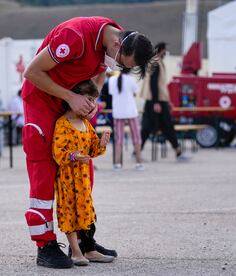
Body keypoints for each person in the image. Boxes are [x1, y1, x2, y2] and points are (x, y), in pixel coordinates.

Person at [22, 16, 154, 269]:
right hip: (42, 101)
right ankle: (45, 245)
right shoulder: (75, 37)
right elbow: (32, 72)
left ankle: (84, 242)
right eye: (122, 64)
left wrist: (91, 102)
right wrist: (70, 97)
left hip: (70, 103)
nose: (118, 67)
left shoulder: (112, 41)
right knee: (44, 173)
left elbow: (98, 77)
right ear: (117, 44)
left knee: (83, 172)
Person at [53, 80, 113, 266]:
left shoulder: (86, 124)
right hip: (67, 180)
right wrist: (74, 156)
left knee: (86, 212)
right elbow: (58, 152)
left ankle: (90, 249)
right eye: (89, 100)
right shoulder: (63, 124)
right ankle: (76, 251)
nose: (92, 105)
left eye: (94, 101)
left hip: (83, 181)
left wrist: (101, 144)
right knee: (69, 213)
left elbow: (92, 150)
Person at [140, 42, 189, 161]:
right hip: (155, 101)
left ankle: (177, 151)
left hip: (157, 100)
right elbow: (154, 84)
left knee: (152, 127)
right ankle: (178, 152)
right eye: (165, 51)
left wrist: (166, 102)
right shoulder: (156, 63)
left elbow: (160, 85)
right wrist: (157, 102)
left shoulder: (156, 62)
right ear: (160, 50)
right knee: (160, 126)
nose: (166, 53)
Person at [109, 68, 144, 170]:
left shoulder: (112, 80)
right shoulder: (131, 79)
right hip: (131, 112)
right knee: (136, 138)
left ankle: (117, 164)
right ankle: (139, 163)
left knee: (118, 139)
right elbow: (135, 93)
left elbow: (112, 93)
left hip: (118, 112)